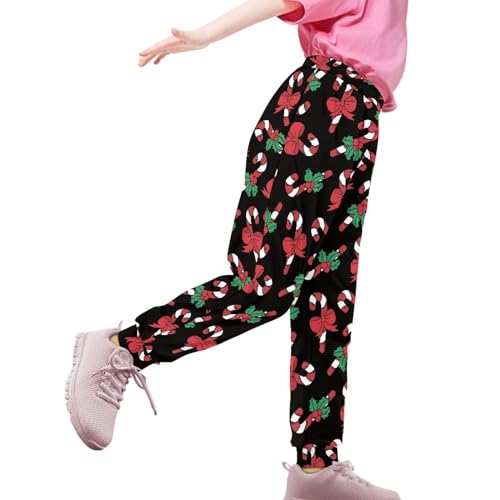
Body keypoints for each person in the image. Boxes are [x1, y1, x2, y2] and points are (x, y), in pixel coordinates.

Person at [65, 1, 408, 498]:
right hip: (321, 110)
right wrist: (205, 34)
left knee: (327, 300)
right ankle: (124, 348)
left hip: (358, 119)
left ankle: (316, 470)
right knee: (264, 289)